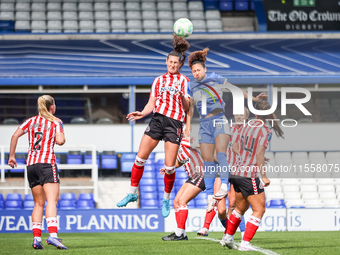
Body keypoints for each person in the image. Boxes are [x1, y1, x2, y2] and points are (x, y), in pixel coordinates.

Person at [186, 48, 267, 231]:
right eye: (193, 71)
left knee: (221, 152)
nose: (196, 73)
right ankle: (209, 198)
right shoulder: (192, 86)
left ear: (205, 69)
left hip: (219, 120)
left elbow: (235, 89)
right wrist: (188, 125)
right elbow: (190, 107)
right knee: (207, 161)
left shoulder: (215, 77)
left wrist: (253, 98)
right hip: (204, 125)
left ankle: (223, 184)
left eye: (198, 70)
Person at [116, 35, 191, 218]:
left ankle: (165, 199)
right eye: (170, 62)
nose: (172, 65)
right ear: (166, 62)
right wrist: (142, 112)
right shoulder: (158, 81)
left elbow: (188, 107)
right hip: (157, 120)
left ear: (180, 65)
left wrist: (182, 97)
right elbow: (152, 103)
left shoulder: (184, 81)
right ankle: (132, 193)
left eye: (176, 63)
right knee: (140, 158)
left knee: (169, 166)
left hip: (174, 123)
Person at [220, 100, 284, 251]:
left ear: (255, 113)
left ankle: (228, 238)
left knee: (240, 207)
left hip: (235, 172)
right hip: (249, 174)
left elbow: (235, 146)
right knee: (259, 209)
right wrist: (264, 176)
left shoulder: (244, 126)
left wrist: (246, 156)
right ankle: (245, 243)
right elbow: (260, 154)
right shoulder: (265, 131)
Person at [8, 95, 67, 250]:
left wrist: (12, 157)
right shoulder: (56, 121)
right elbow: (60, 141)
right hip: (47, 163)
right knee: (52, 201)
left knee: (38, 203)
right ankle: (53, 236)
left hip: (31, 165)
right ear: (52, 107)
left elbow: (15, 135)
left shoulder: (31, 121)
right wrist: (60, 131)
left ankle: (36, 239)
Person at [197, 108, 249, 237]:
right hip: (224, 170)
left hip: (239, 172)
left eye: (242, 115)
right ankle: (212, 228)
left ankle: (242, 233)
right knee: (220, 209)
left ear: (247, 117)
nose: (239, 117)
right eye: (237, 114)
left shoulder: (250, 133)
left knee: (233, 204)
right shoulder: (226, 129)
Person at [162, 133, 205, 241]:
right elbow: (180, 162)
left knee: (182, 201)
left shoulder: (186, 142)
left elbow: (203, 144)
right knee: (176, 202)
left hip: (202, 174)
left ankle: (179, 233)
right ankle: (182, 234)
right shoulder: (178, 148)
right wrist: (168, 168)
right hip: (193, 176)